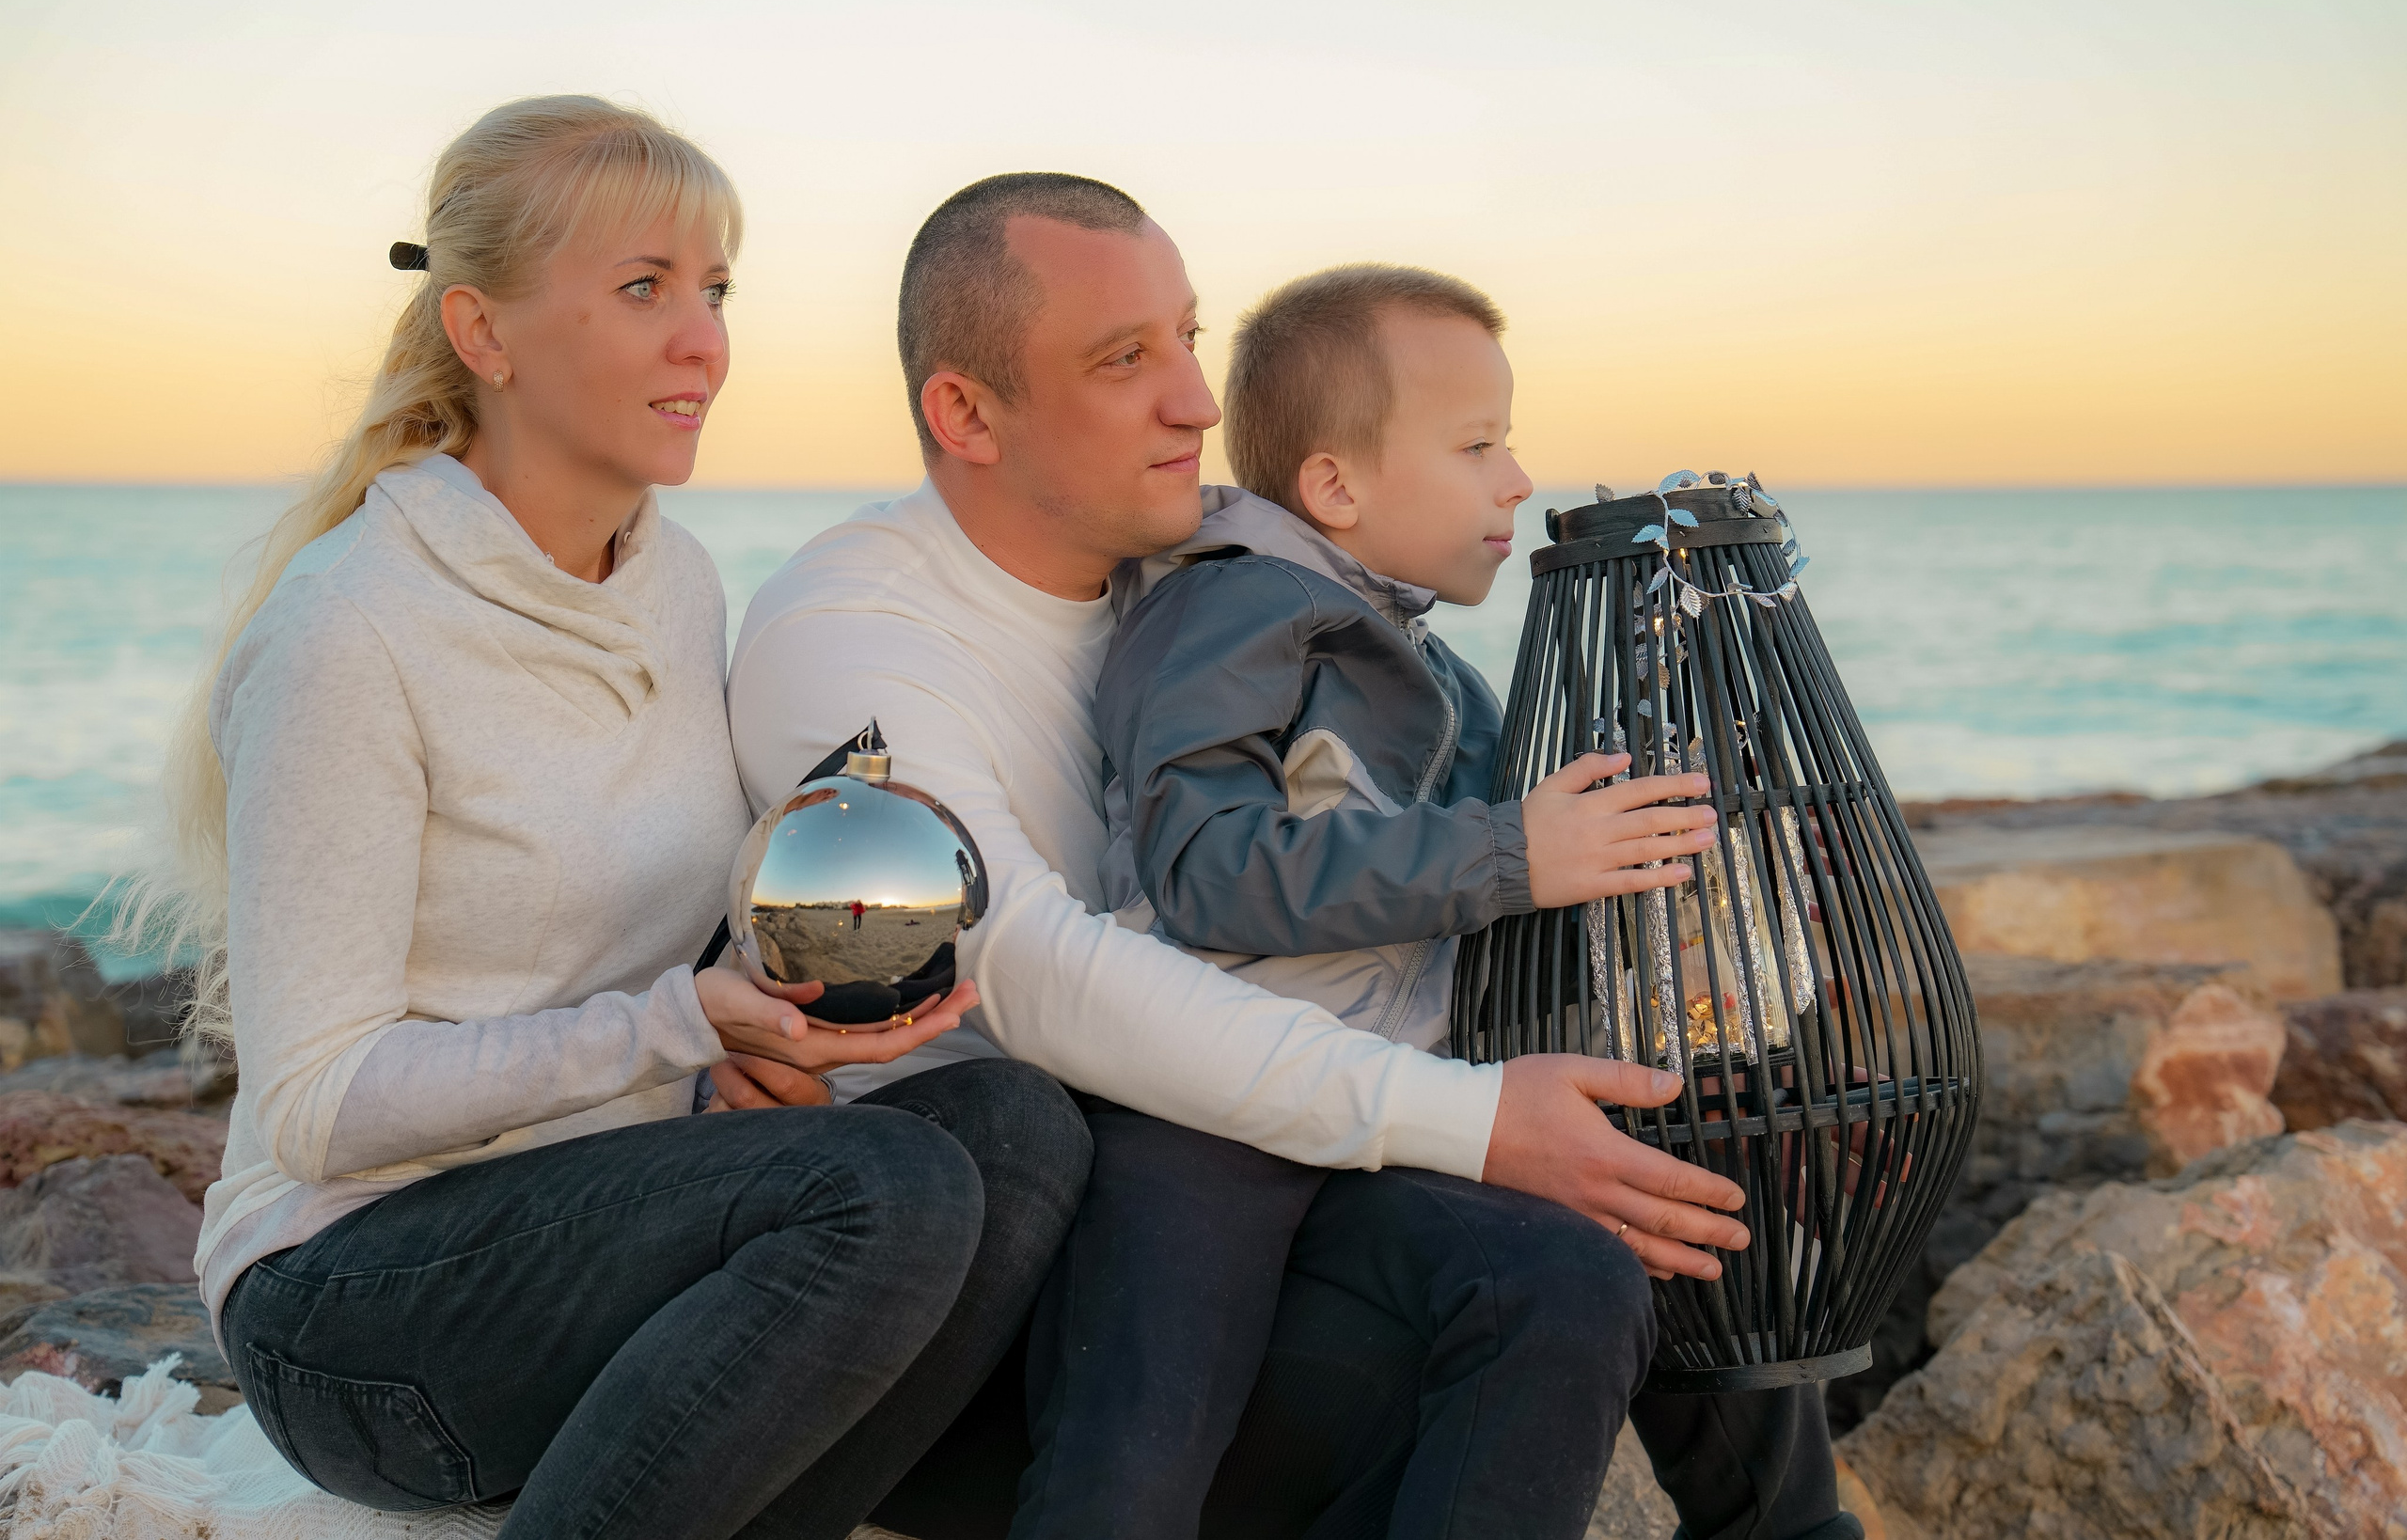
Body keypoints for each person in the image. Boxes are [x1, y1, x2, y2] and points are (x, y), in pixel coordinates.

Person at [725, 173, 1859, 1540]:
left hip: (1310, 1127)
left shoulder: (1310, 607)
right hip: (1045, 1234)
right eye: (1124, 358)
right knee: (1138, 1451)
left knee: (1625, 1239)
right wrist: (1483, 1081)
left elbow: (1476, 848)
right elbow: (1037, 961)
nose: (1198, 405)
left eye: (1188, 341)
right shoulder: (869, 626)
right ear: (966, 411)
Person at [134, 99, 1090, 1540]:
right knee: (877, 1188)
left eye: (714, 292)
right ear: (485, 331)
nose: (704, 340)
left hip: (609, 1230)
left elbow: (655, 938)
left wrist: (757, 1034)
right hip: (357, 1314)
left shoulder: (674, 575)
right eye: (644, 290)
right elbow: (318, 1107)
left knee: (1014, 1125)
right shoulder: (351, 630)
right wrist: (681, 1030)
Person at [1045, 260, 1739, 1532]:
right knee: (1136, 1459)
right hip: (1197, 1114)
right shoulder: (1237, 609)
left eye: (1509, 442)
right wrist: (1514, 855)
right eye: (1478, 445)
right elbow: (1207, 869)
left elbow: (1500, 900)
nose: (1517, 481)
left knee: (1687, 1225)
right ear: (1333, 487)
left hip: (1381, 1110)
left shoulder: (1436, 674)